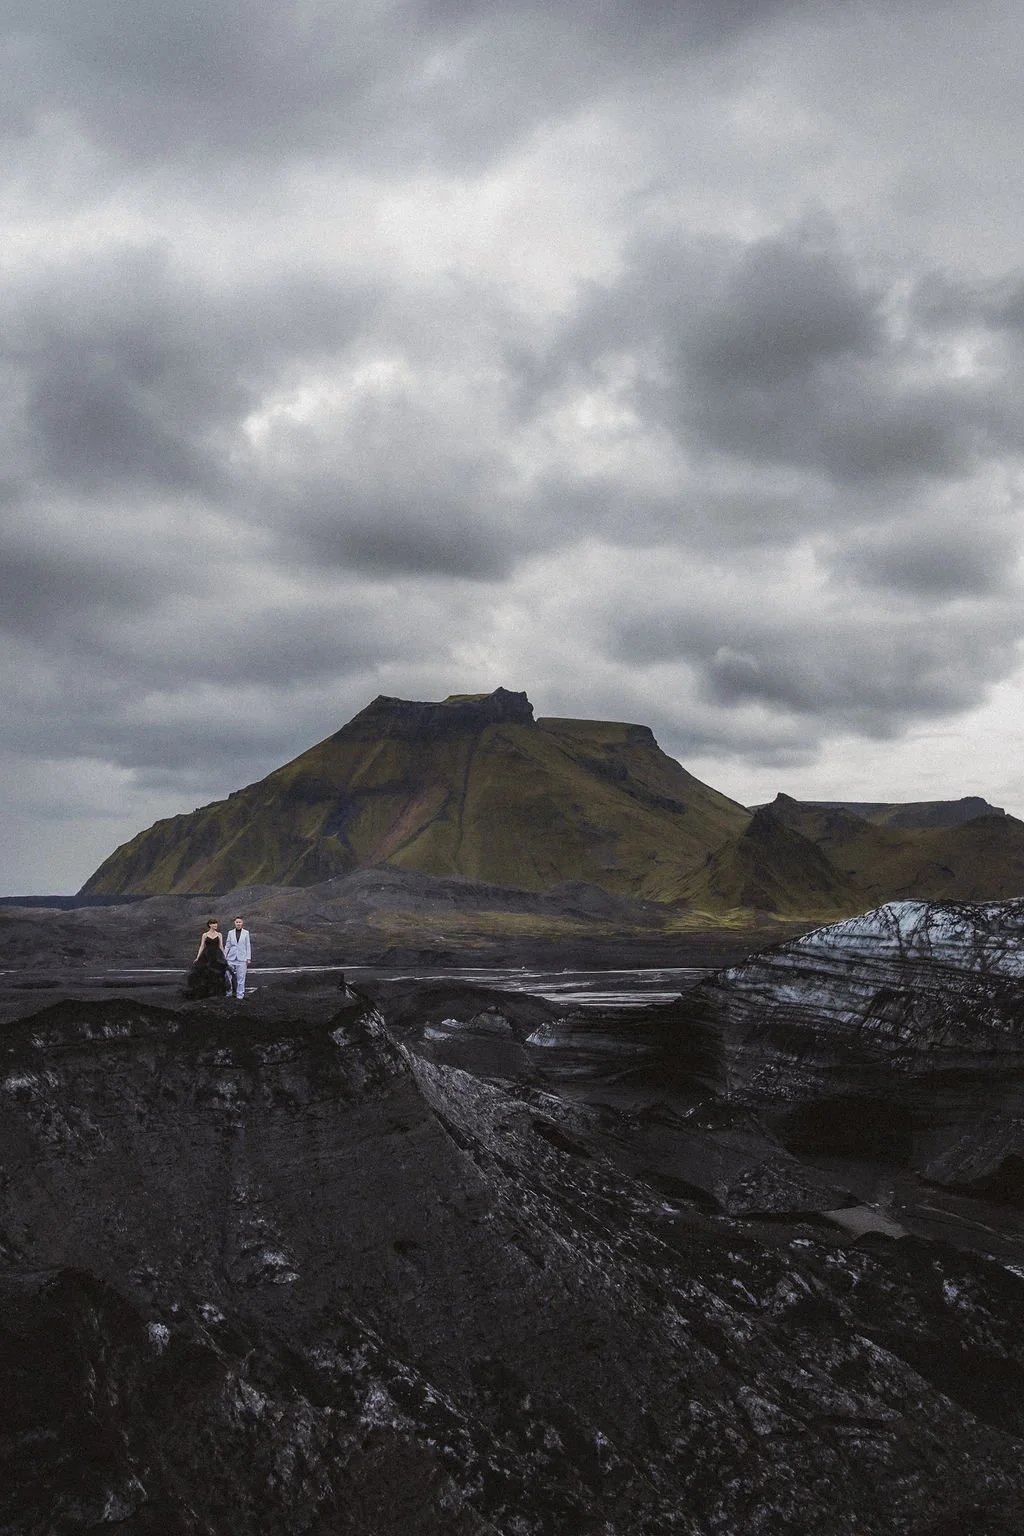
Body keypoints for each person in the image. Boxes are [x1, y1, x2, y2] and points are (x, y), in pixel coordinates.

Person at [185, 918, 231, 999]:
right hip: (207, 955)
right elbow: (202, 946)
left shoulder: (219, 934)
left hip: (216, 956)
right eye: (214, 923)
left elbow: (221, 946)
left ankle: (217, 993)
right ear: (210, 925)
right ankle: (206, 993)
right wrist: (198, 957)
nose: (216, 925)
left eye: (216, 923)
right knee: (205, 973)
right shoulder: (205, 935)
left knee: (217, 974)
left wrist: (224, 957)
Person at [224, 914, 252, 999]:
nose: (238, 923)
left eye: (240, 922)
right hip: (231, 958)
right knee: (228, 976)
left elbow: (248, 945)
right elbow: (227, 945)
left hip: (242, 958)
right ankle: (229, 993)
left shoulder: (246, 933)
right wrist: (224, 957)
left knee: (241, 978)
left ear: (242, 923)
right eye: (237, 922)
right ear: (234, 923)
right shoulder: (230, 933)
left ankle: (240, 995)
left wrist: (248, 958)